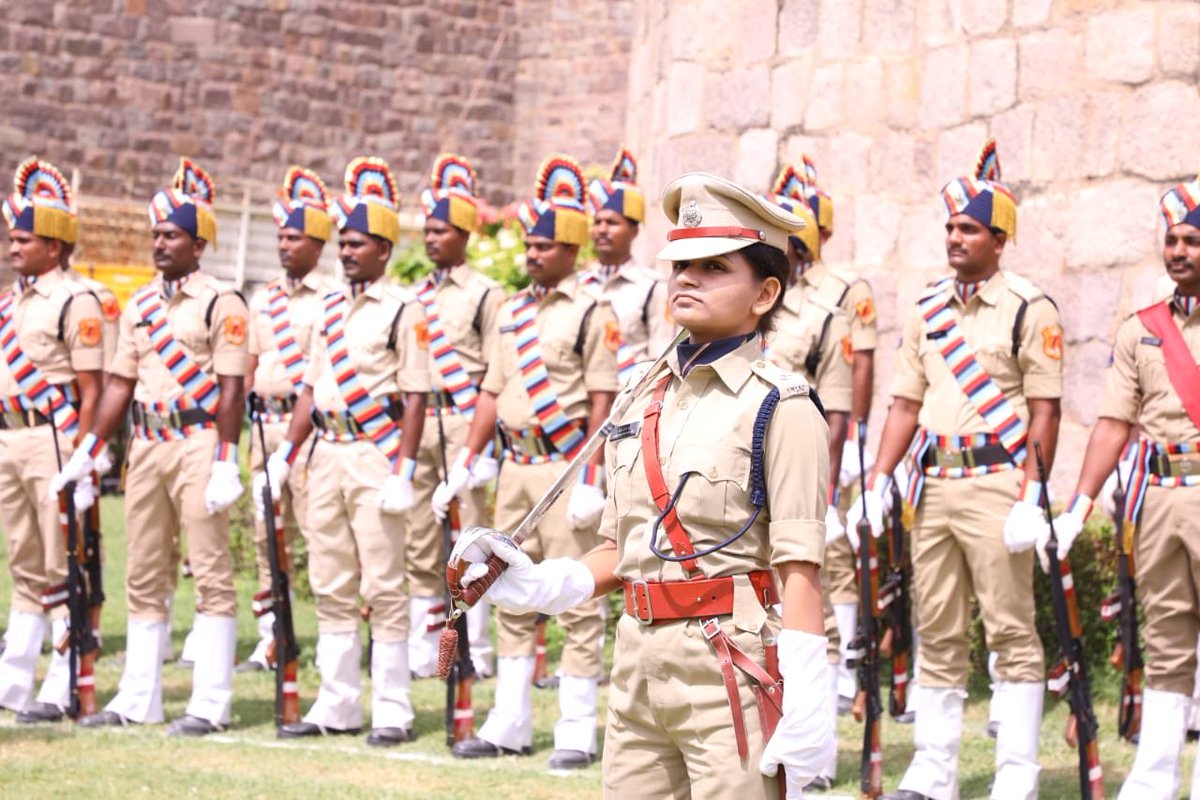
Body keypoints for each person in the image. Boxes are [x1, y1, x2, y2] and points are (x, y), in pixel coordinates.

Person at [448, 171, 835, 796]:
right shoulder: (638, 397)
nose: (688, 278)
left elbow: (800, 568)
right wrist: (550, 583)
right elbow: (621, 549)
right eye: (682, 263)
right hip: (635, 659)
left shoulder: (781, 407)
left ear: (765, 293)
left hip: (730, 668)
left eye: (714, 267)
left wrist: (810, 688)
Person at [849, 141, 1063, 800]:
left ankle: (1016, 774)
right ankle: (934, 769)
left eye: (968, 228)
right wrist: (878, 480)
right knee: (935, 626)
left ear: (1000, 239)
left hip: (998, 482)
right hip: (933, 486)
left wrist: (1034, 495)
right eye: (948, 227)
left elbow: (1046, 411)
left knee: (1009, 627)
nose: (954, 238)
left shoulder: (1031, 308)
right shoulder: (925, 310)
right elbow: (905, 403)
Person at [52, 158, 249, 736]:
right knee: (142, 569)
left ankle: (209, 702)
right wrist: (88, 450)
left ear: (199, 242)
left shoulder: (222, 302)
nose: (160, 244)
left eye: (172, 235)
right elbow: (118, 384)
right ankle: (140, 697)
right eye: (156, 234)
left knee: (209, 570)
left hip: (198, 438)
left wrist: (226, 460)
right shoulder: (140, 304)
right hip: (148, 442)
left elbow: (232, 387)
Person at [437, 155, 618, 770]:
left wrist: (593, 477)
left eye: (545, 245)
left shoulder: (595, 312)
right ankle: (508, 722)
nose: (534, 254)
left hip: (565, 469)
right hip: (512, 468)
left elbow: (602, 401)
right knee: (504, 590)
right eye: (529, 244)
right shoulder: (511, 311)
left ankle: (575, 728)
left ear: (571, 249)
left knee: (576, 601)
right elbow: (491, 391)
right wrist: (466, 460)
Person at [263, 156, 430, 746]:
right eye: (344, 243)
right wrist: (287, 453)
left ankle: (391, 708)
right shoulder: (329, 308)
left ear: (384, 249)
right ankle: (336, 703)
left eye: (359, 244)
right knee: (330, 582)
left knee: (383, 584)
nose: (348, 252)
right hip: (325, 453)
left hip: (373, 454)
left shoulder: (404, 309)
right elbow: (309, 388)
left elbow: (414, 397)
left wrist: (405, 470)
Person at [1052, 170, 1200, 799]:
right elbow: (1113, 424)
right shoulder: (1142, 328)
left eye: (1191, 240)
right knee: (1165, 638)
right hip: (1160, 499)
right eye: (1172, 240)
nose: (1178, 251)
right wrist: (1077, 507)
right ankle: (1156, 774)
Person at [0, 157, 104, 722]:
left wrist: (86, 457)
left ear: (55, 246)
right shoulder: (10, 301)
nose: (14, 247)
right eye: (12, 238)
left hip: (54, 440)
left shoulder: (76, 300)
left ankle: (63, 681)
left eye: (25, 239)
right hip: (9, 439)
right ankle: (14, 678)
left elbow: (92, 388)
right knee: (24, 561)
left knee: (64, 563)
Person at [778, 158, 878, 711]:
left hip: (826, 438)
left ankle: (843, 660)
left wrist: (857, 439)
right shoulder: (765, 294)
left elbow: (856, 365)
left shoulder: (842, 289)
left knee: (833, 556)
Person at [765, 173, 852, 790]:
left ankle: (813, 748)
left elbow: (840, 407)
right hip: (744, 479)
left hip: (797, 472)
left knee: (801, 602)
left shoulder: (826, 311)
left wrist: (833, 492)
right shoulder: (740, 304)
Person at [406, 153, 502, 680]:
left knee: (472, 545)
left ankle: (475, 650)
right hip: (423, 426)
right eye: (428, 230)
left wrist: (482, 449)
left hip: (467, 426)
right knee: (422, 541)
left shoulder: (487, 294)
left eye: (442, 230)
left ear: (464, 233)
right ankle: (428, 648)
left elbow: (497, 374)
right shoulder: (414, 294)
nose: (432, 238)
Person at [238, 166, 338, 672]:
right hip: (265, 428)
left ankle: (327, 637)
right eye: (280, 236)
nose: (284, 245)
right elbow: (251, 365)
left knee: (320, 538)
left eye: (294, 237)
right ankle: (272, 634)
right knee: (266, 537)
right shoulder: (263, 298)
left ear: (317, 244)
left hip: (312, 433)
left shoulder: (332, 300)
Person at [581, 147, 673, 381]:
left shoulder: (654, 288)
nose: (602, 230)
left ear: (634, 230)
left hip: (625, 401)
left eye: (612, 223)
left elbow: (660, 358)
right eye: (597, 222)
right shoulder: (580, 285)